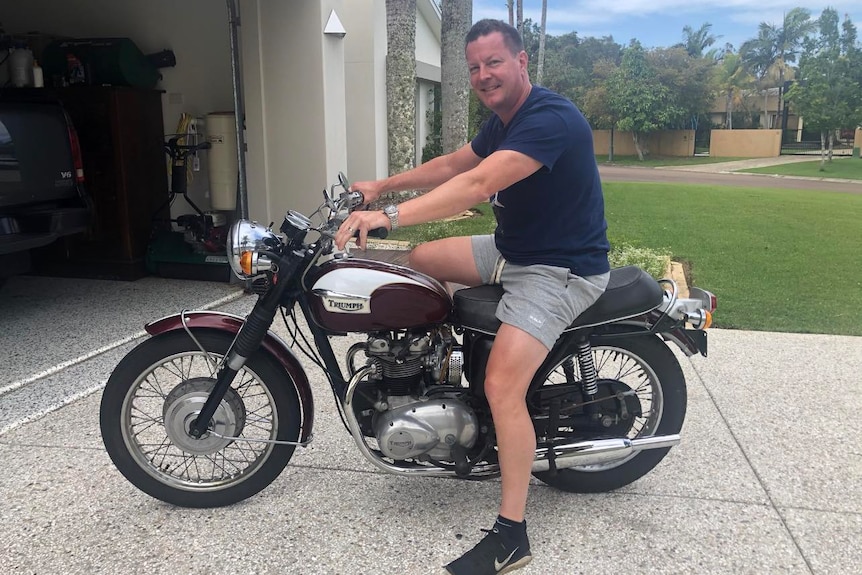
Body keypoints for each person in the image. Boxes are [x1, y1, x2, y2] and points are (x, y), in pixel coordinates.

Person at [335, 18, 610, 575]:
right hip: (513, 250)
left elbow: (477, 185)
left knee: (502, 386)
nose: (484, 75)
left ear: (521, 61)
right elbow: (453, 165)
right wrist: (382, 185)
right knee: (420, 264)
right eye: (475, 67)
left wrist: (385, 217)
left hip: (559, 269)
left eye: (494, 63)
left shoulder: (549, 119)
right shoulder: (501, 120)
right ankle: (438, 368)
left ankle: (512, 536)